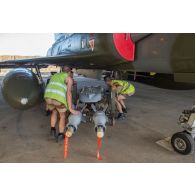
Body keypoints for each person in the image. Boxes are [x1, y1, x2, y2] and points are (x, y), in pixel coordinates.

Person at [44, 65, 79, 141]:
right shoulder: (69, 78)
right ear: (69, 72)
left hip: (48, 98)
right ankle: (60, 134)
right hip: (57, 100)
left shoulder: (55, 75)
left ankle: (52, 130)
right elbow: (69, 93)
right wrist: (70, 109)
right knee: (62, 115)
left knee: (54, 112)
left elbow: (56, 85)